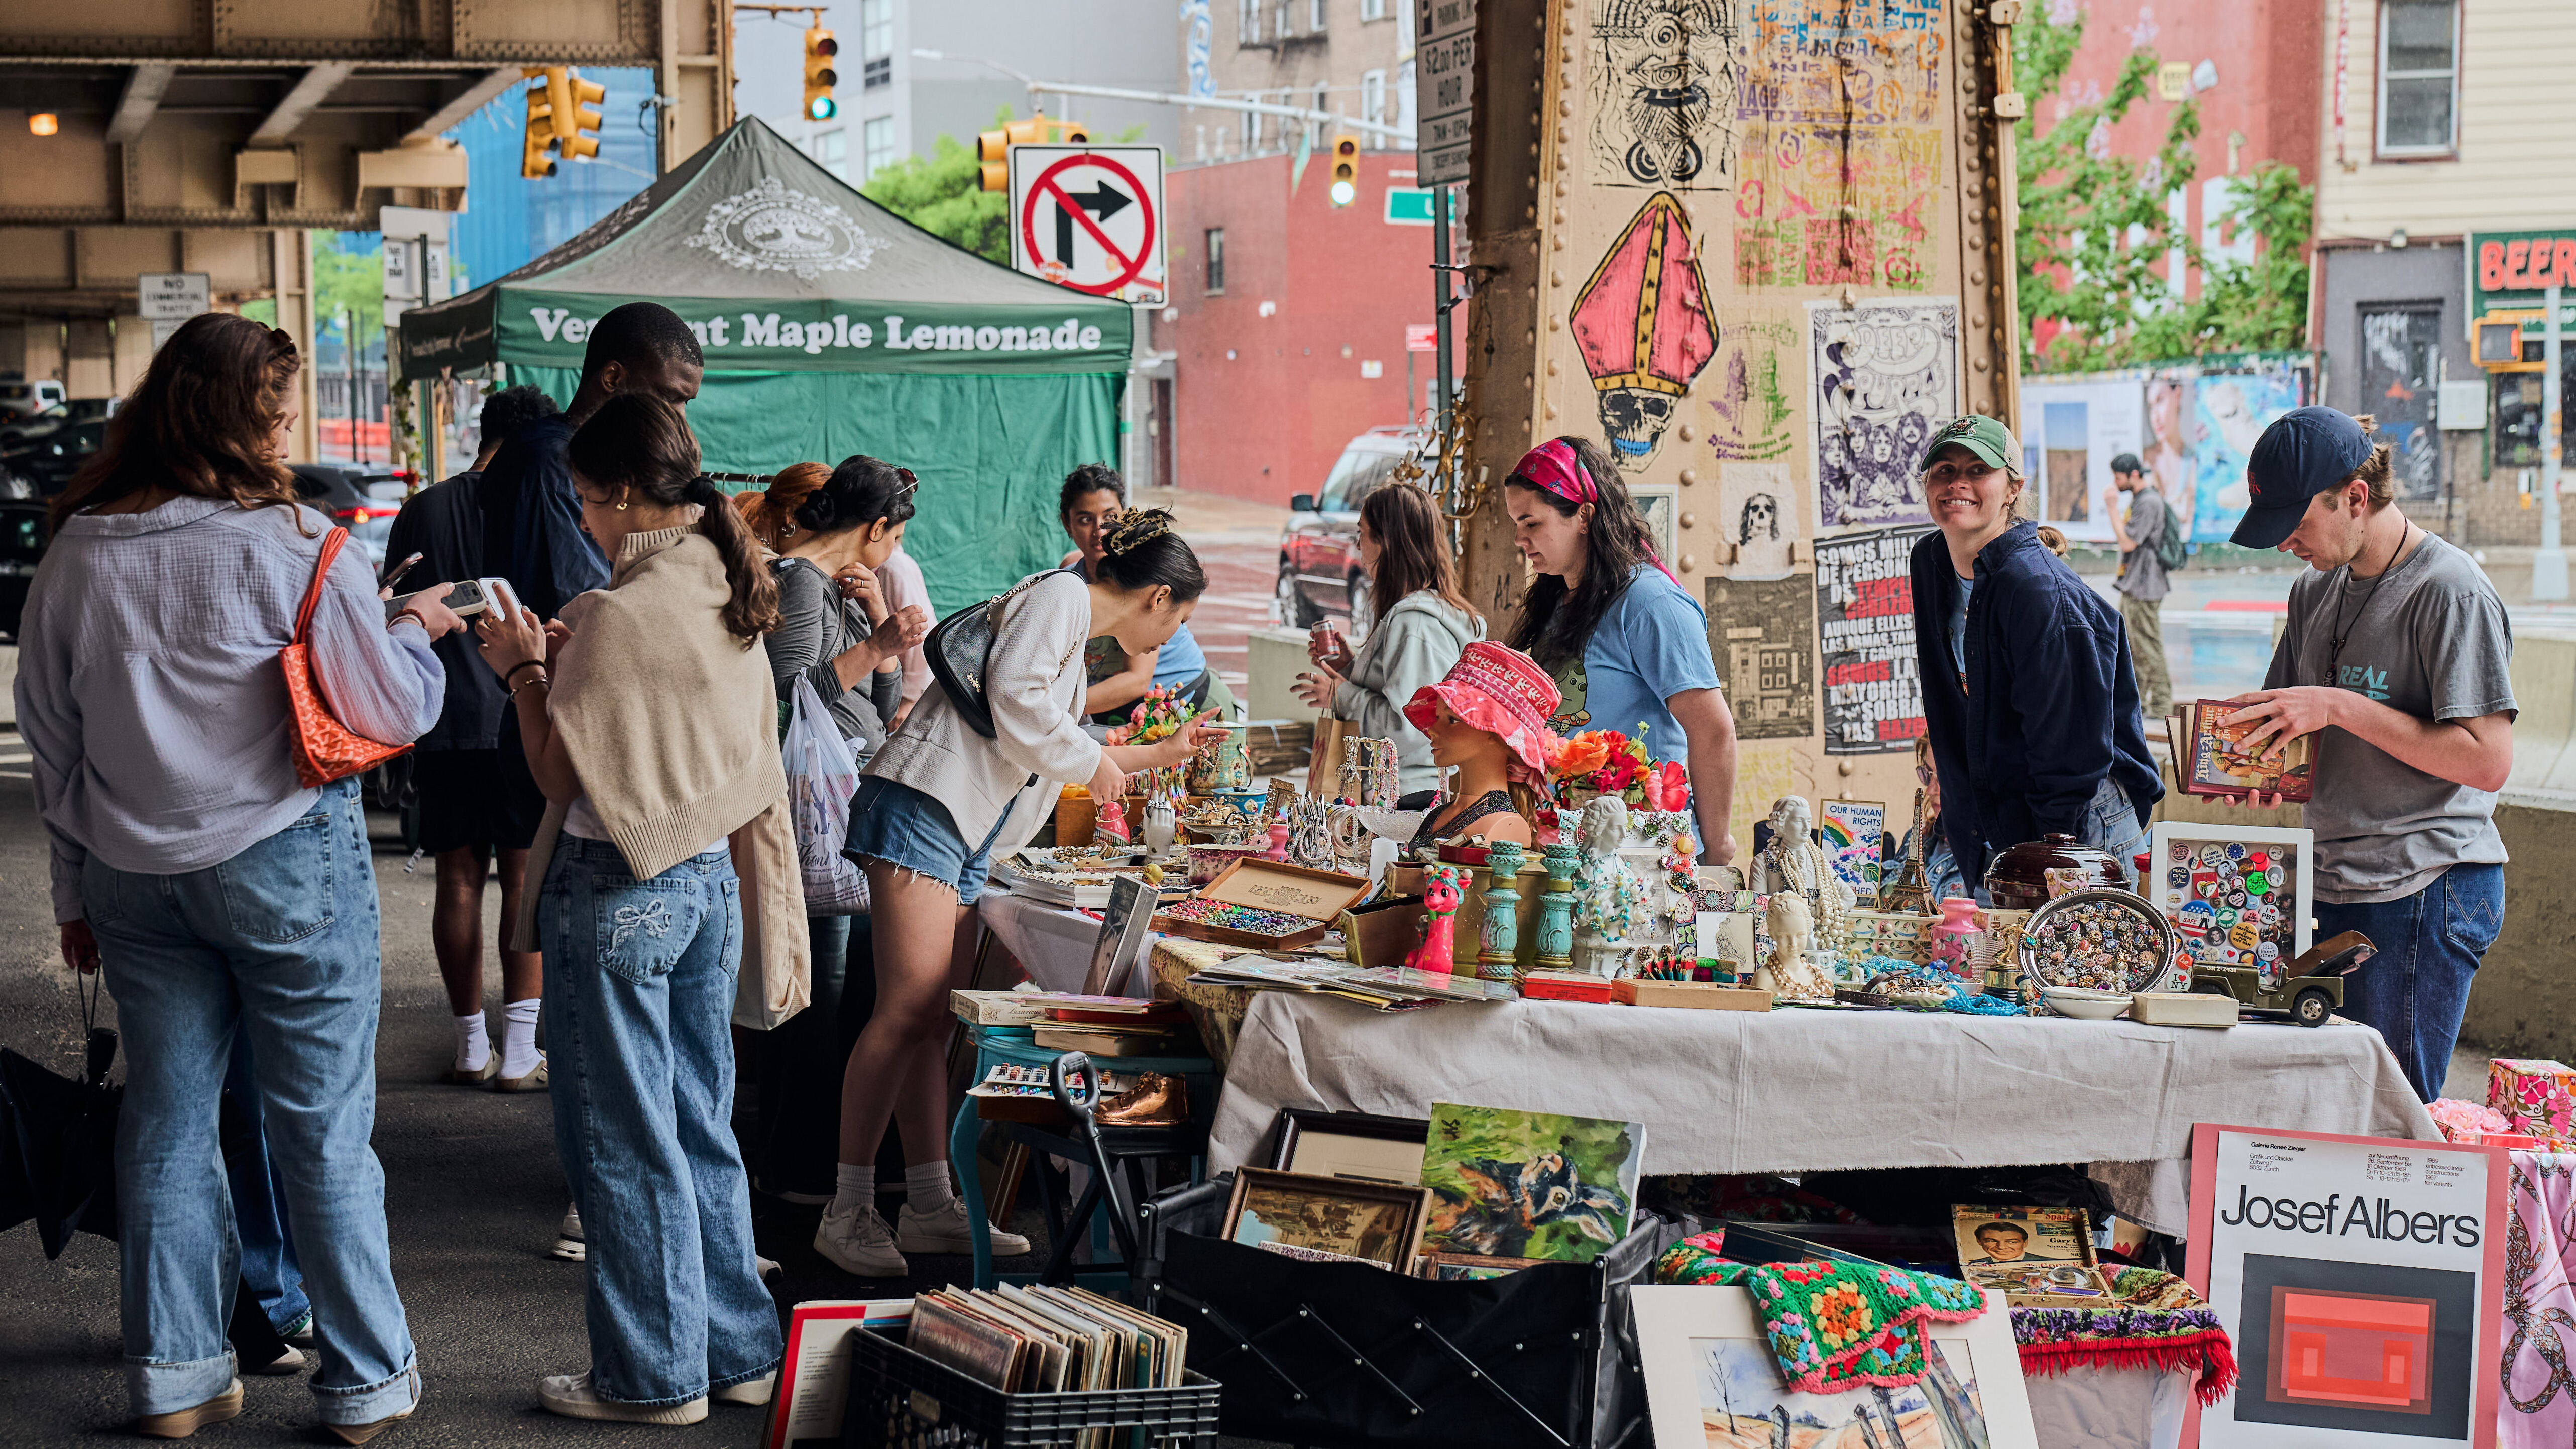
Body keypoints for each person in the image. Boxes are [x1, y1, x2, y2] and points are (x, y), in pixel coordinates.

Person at [16, 312, 445, 1443]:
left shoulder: (77, 550)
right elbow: (389, 709)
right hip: (286, 865)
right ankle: (364, 1382)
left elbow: (52, 742)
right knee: (321, 1128)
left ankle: (175, 1376)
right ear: (240, 421)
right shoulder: (300, 543)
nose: (287, 432)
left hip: (130, 876)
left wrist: (72, 894)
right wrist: (415, 631)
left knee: (165, 1122)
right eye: (277, 414)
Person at [472, 392, 799, 1423]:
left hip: (616, 882)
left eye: (582, 497)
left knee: (620, 1137)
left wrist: (523, 669)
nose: (579, 514)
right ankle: (739, 1352)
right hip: (706, 881)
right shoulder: (722, 571)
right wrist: (565, 660)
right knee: (699, 1122)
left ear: (619, 492)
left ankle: (651, 1376)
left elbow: (555, 768)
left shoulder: (616, 612)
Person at [817, 510, 1227, 1277]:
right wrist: (1093, 762)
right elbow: (1019, 702)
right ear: (1157, 598)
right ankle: (847, 1209)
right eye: (1180, 619)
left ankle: (928, 1204)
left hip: (963, 825)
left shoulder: (1070, 621)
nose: (1172, 637)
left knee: (931, 1020)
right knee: (903, 1013)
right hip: (927, 807)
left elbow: (1049, 733)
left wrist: (1156, 753)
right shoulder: (1063, 597)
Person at [477, 301, 704, 1261]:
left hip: (630, 825)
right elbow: (561, 757)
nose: (678, 418)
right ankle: (632, 1230)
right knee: (662, 1084)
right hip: (640, 819)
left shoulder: (647, 592)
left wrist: (533, 671)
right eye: (669, 394)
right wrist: (534, 672)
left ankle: (621, 1222)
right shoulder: (665, 582)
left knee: (635, 1078)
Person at [2222, 406, 2514, 1102]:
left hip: (2420, 882)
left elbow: (2487, 761)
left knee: (2387, 1116)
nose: (2285, 542)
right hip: (2329, 876)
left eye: (2297, 522)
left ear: (2356, 497)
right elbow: (2297, 722)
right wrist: (2261, 766)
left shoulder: (2450, 589)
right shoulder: (2312, 587)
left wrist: (2339, 705)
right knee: (2322, 1107)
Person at [752, 456, 932, 1204]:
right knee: (818, 1000)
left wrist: (875, 628)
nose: (893, 552)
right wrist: (879, 644)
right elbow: (785, 693)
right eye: (895, 537)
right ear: (876, 526)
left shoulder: (834, 583)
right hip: (814, 812)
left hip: (845, 801)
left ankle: (835, 1163)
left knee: (850, 989)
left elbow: (876, 705)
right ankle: (802, 1168)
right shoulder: (797, 578)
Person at [385, 383, 561, 1090]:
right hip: (522, 710)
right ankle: (519, 1052)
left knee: (456, 879)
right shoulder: (539, 498)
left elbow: (391, 605)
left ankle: (468, 1047)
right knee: (522, 877)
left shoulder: (423, 507)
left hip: (442, 717)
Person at [1909, 415, 2161, 891]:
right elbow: (1950, 711)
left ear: (2012, 489)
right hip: (1999, 813)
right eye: (1944, 469)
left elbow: (2073, 753)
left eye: (1978, 470)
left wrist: (2041, 864)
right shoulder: (1930, 562)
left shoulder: (2036, 588)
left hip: (2074, 824)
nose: (1957, 482)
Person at [1502, 436, 1739, 863]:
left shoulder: (1650, 602)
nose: (1518, 538)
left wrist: (1716, 848)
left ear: (1583, 516)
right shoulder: (1556, 601)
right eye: (1515, 524)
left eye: (1531, 523)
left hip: (1642, 852)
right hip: (1568, 847)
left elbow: (1712, 730)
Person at [1292, 483, 1484, 796]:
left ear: (1387, 542)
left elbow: (1408, 726)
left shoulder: (1416, 624)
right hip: (1398, 790)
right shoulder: (1412, 617)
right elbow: (1400, 690)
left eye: (1362, 533)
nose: (1358, 545)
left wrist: (1341, 695)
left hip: (1408, 795)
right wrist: (1350, 667)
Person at [1060, 464, 1222, 720]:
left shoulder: (1140, 576)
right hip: (1126, 710)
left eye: (1110, 517)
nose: (1099, 530)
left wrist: (1051, 706)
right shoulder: (1067, 580)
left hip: (1185, 699)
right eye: (1085, 519)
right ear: (1067, 524)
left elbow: (1136, 681)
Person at [1399, 642, 1557, 851]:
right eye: (1437, 718)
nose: (1433, 730)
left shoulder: (1501, 824)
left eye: (1453, 720)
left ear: (1495, 732)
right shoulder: (1442, 814)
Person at [2107, 450, 2174, 720]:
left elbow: (2128, 543)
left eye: (2119, 477)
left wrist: (2111, 508)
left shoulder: (2148, 502)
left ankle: (2160, 704)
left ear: (2133, 475)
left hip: (2145, 586)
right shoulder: (2142, 499)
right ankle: (2140, 702)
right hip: (2135, 584)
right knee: (2133, 647)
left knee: (2147, 646)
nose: (2116, 482)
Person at [1966, 1222, 2030, 1265]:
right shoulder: (1973, 1264)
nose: (2001, 1247)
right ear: (1979, 1241)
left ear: (2025, 1243)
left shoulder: (2035, 1261)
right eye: (1991, 1241)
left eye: (2012, 1242)